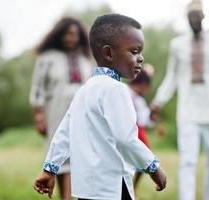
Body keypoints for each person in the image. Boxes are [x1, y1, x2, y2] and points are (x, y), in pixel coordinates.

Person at [33, 14, 167, 200]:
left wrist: (49, 169)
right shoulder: (117, 89)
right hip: (111, 188)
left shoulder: (84, 90)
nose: (141, 59)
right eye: (135, 51)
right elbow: (126, 138)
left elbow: (64, 133)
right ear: (109, 53)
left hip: (86, 189)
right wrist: (153, 166)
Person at [150, 0, 209, 200]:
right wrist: (158, 101)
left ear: (203, 16)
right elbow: (172, 76)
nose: (194, 19)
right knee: (187, 161)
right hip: (188, 111)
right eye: (190, 16)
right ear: (186, 18)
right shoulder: (177, 44)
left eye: (197, 16)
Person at [29, 17, 92, 200]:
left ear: (80, 36)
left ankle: (70, 196)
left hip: (82, 114)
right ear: (59, 35)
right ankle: (66, 197)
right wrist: (39, 116)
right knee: (59, 155)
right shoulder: (46, 58)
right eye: (66, 34)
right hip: (55, 112)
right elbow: (37, 88)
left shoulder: (85, 58)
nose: (70, 38)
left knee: (78, 156)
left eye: (74, 34)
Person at [128, 65, 165, 196]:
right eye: (148, 87)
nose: (148, 91)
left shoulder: (138, 99)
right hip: (132, 131)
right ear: (143, 84)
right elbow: (142, 120)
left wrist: (152, 116)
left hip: (136, 130)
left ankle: (133, 187)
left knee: (141, 158)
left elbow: (145, 120)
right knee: (144, 156)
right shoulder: (126, 93)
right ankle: (132, 186)